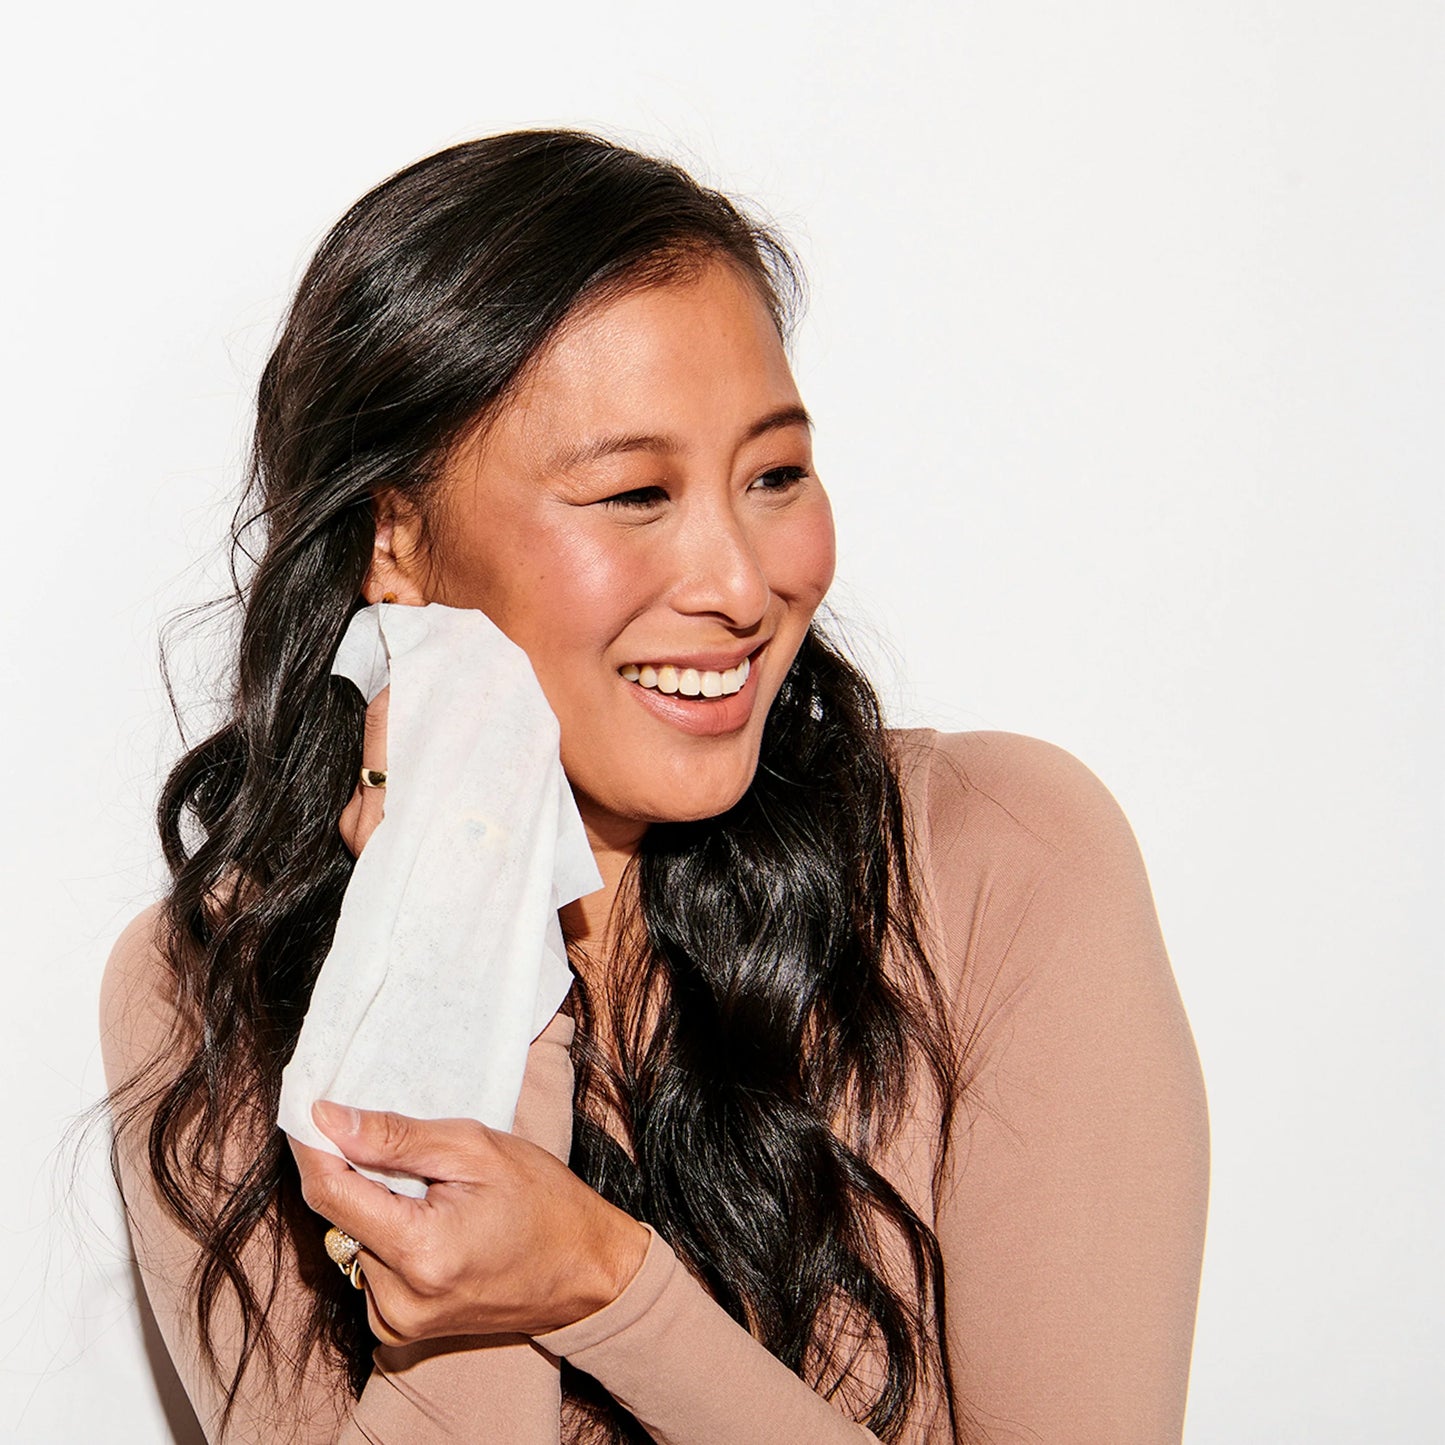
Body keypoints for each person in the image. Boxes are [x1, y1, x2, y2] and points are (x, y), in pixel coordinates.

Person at [99, 129, 1210, 1445]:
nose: (741, 583)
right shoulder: (207, 987)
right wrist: (454, 932)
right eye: (634, 492)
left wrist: (609, 1292)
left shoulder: (998, 857)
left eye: (772, 474)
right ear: (395, 537)